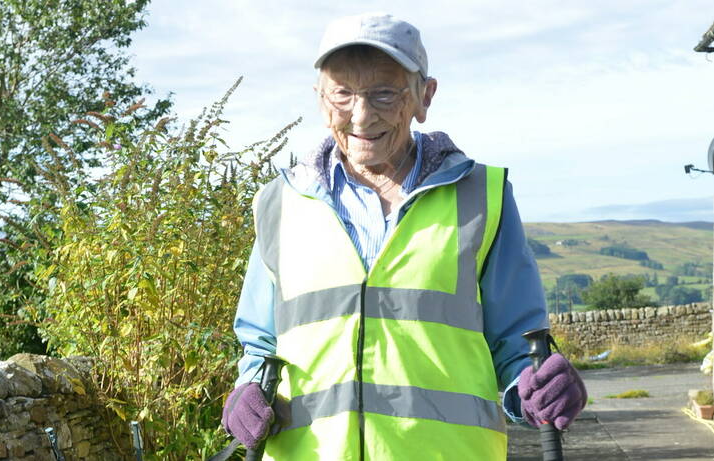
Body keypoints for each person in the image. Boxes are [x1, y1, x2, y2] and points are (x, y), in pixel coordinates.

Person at [221, 12, 586, 460]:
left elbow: (517, 344)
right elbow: (260, 341)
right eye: (343, 93)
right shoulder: (279, 203)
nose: (361, 114)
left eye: (383, 93)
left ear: (424, 97)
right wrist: (247, 390)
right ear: (320, 99)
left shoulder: (482, 197)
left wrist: (535, 387)